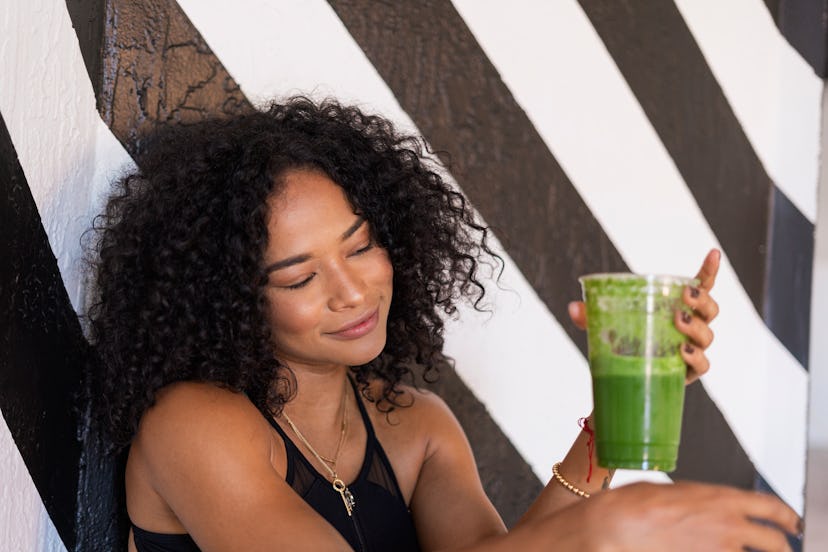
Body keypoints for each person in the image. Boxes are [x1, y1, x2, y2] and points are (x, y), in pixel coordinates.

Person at [86, 97, 800, 551]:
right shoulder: (194, 425)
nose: (352, 289)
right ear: (228, 298)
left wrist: (616, 417)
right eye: (300, 277)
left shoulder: (414, 425)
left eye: (362, 245)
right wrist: (598, 535)